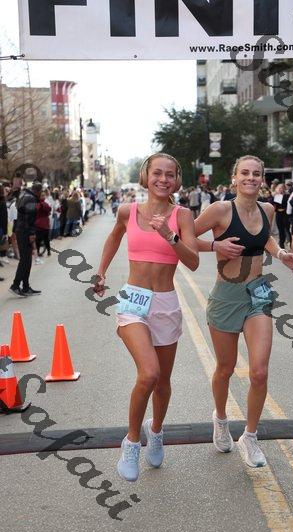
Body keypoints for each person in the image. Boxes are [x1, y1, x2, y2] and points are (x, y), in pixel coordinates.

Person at [94, 153, 198, 482]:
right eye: (157, 173)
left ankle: (156, 431)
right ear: (146, 176)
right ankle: (131, 442)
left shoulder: (183, 216)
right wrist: (101, 272)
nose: (163, 179)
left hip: (166, 302)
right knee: (149, 374)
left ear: (176, 181)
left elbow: (193, 261)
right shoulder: (128, 211)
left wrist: (170, 236)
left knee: (163, 382)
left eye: (170, 174)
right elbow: (114, 237)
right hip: (133, 300)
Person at [194, 155, 293, 468]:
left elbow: (266, 238)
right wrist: (215, 246)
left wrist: (280, 253)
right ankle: (221, 419)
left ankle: (250, 436)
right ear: (234, 178)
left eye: (256, 174)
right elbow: (185, 237)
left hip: (258, 295)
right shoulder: (220, 210)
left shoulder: (267, 209)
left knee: (259, 371)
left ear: (262, 179)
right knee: (225, 368)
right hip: (226, 297)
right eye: (245, 173)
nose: (251, 178)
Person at [10, 181, 43, 296]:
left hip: (21, 230)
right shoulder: (31, 198)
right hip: (25, 231)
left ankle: (25, 286)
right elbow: (29, 218)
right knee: (25, 260)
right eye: (41, 192)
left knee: (27, 259)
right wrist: (31, 233)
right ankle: (15, 285)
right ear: (38, 191)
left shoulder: (24, 195)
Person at [273, 183, 291, 249]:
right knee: (280, 230)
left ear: (284, 189)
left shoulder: (287, 196)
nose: (280, 189)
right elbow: (273, 204)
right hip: (278, 214)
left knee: (287, 229)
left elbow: (288, 204)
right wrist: (274, 196)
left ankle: (290, 243)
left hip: (285, 214)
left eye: (281, 188)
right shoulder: (276, 196)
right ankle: (281, 244)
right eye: (279, 188)